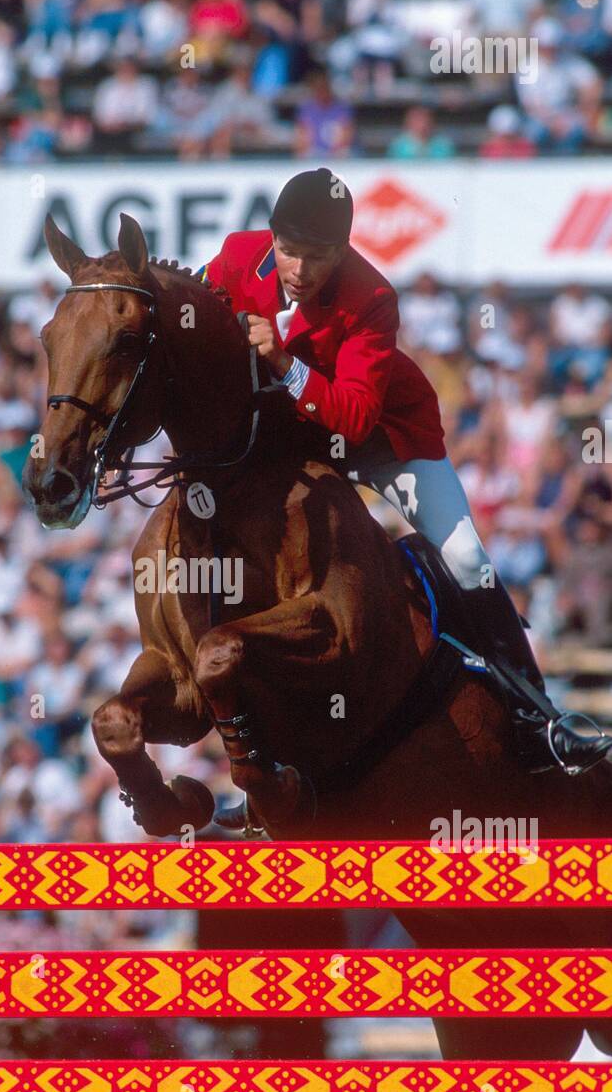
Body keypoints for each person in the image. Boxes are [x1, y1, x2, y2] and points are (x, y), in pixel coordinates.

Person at [197, 167, 611, 774]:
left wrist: (285, 364)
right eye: (288, 251)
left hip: (385, 442)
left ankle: (539, 723)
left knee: (468, 559)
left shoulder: (372, 296)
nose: (298, 271)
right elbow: (197, 324)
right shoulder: (238, 256)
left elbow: (357, 416)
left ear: (342, 251)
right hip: (293, 441)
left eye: (316, 257)